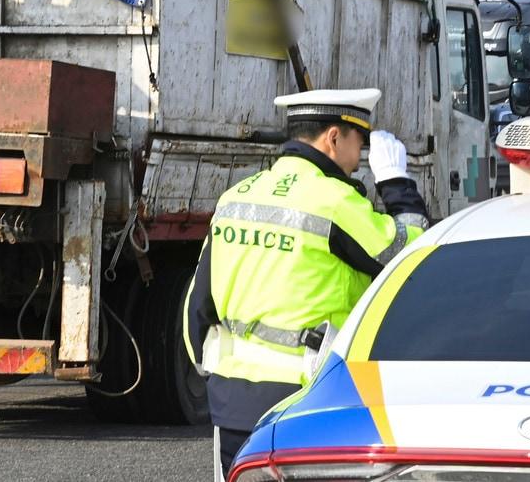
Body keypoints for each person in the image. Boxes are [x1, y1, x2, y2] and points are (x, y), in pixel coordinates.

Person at [183, 88, 429, 479]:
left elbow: (197, 308)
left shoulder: (235, 197)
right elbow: (411, 253)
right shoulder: (333, 201)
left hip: (230, 402)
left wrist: (217, 380)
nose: (360, 157)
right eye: (359, 142)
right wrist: (397, 184)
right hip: (307, 402)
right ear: (334, 137)